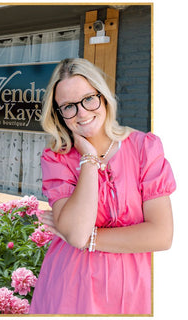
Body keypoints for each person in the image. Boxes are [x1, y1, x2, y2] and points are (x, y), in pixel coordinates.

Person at [29, 58, 176, 315]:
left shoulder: (145, 148)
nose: (82, 113)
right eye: (68, 107)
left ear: (103, 96)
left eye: (88, 99)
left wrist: (90, 239)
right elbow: (75, 233)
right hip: (69, 288)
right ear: (59, 114)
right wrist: (88, 159)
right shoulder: (57, 158)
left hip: (130, 291)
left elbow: (161, 235)